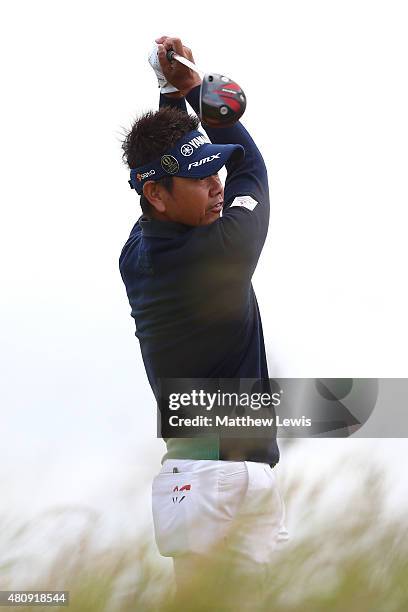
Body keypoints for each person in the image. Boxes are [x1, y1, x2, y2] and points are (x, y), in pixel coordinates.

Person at [119, 36, 288, 586]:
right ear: (159, 196)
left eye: (217, 172)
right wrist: (197, 93)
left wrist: (172, 98)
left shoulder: (139, 248)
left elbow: (161, 169)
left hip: (218, 473)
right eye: (201, 178)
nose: (218, 188)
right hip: (210, 476)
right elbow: (254, 171)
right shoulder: (221, 250)